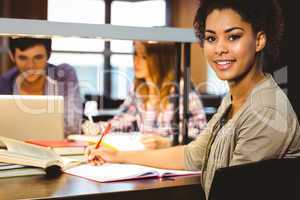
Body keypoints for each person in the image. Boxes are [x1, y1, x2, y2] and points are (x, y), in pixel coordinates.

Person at [86, 0, 300, 198]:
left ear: (259, 40)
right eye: (211, 38)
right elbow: (193, 154)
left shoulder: (266, 111)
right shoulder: (234, 99)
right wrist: (118, 156)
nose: (220, 49)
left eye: (233, 36)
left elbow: (233, 191)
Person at [82, 41, 207, 149]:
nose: (136, 61)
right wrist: (98, 128)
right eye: (135, 54)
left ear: (160, 59)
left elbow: (200, 137)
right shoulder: (139, 88)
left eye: (144, 57)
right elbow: (123, 120)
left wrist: (168, 143)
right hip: (146, 158)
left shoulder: (181, 89)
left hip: (171, 161)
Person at [0, 37, 82, 137]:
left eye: (38, 57)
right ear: (12, 56)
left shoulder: (63, 76)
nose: (30, 66)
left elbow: (72, 127)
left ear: (49, 55)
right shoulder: (4, 83)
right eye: (23, 58)